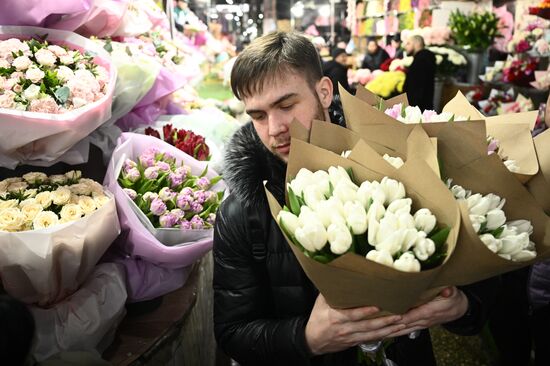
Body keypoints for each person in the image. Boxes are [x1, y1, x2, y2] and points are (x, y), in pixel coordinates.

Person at [213, 31, 497, 366]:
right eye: (257, 115)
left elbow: (486, 296)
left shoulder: (403, 165)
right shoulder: (243, 211)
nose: (274, 128)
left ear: (323, 92)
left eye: (286, 105)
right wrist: (307, 338)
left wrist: (461, 306)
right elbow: (233, 333)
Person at [403, 35, 436, 110]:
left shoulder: (421, 61)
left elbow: (416, 89)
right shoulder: (423, 59)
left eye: (408, 43)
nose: (405, 47)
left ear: (417, 44)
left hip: (418, 109)